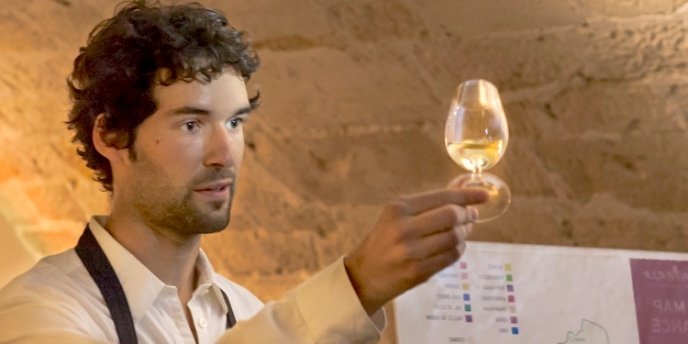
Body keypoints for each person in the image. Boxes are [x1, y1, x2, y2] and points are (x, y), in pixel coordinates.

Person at [0, 1, 487, 343]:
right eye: (192, 123)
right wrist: (355, 286)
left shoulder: (247, 311)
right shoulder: (39, 310)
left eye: (234, 122)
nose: (224, 154)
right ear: (110, 136)